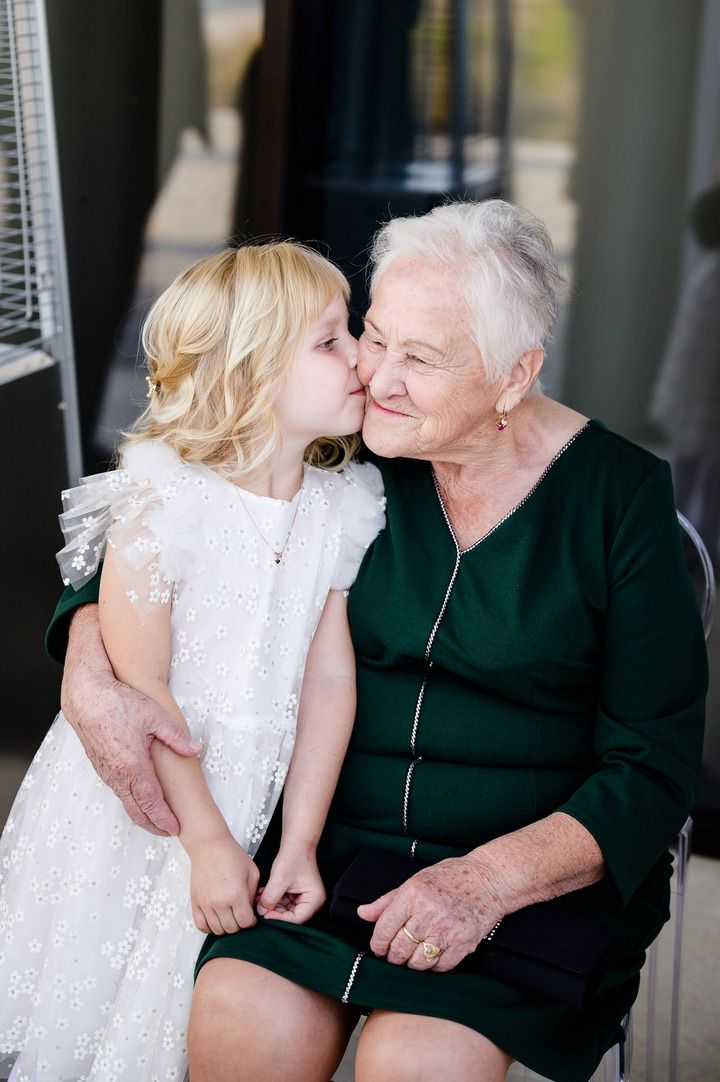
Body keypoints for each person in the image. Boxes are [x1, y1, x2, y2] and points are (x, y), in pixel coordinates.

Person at [40, 200, 705, 1082]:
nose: (375, 375)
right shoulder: (352, 447)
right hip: (322, 855)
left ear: (517, 373)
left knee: (416, 1062)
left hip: (517, 876)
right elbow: (172, 531)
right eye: (373, 334)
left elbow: (653, 769)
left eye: (420, 357)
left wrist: (483, 884)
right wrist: (88, 663)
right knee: (243, 1024)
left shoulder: (617, 500)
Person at [0, 242, 385, 1082]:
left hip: (253, 797)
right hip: (152, 801)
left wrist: (303, 843)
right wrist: (206, 841)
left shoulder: (342, 507)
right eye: (329, 340)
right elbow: (140, 693)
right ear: (249, 372)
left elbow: (328, 683)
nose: (361, 354)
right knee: (94, 991)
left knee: (172, 1012)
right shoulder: (164, 496)